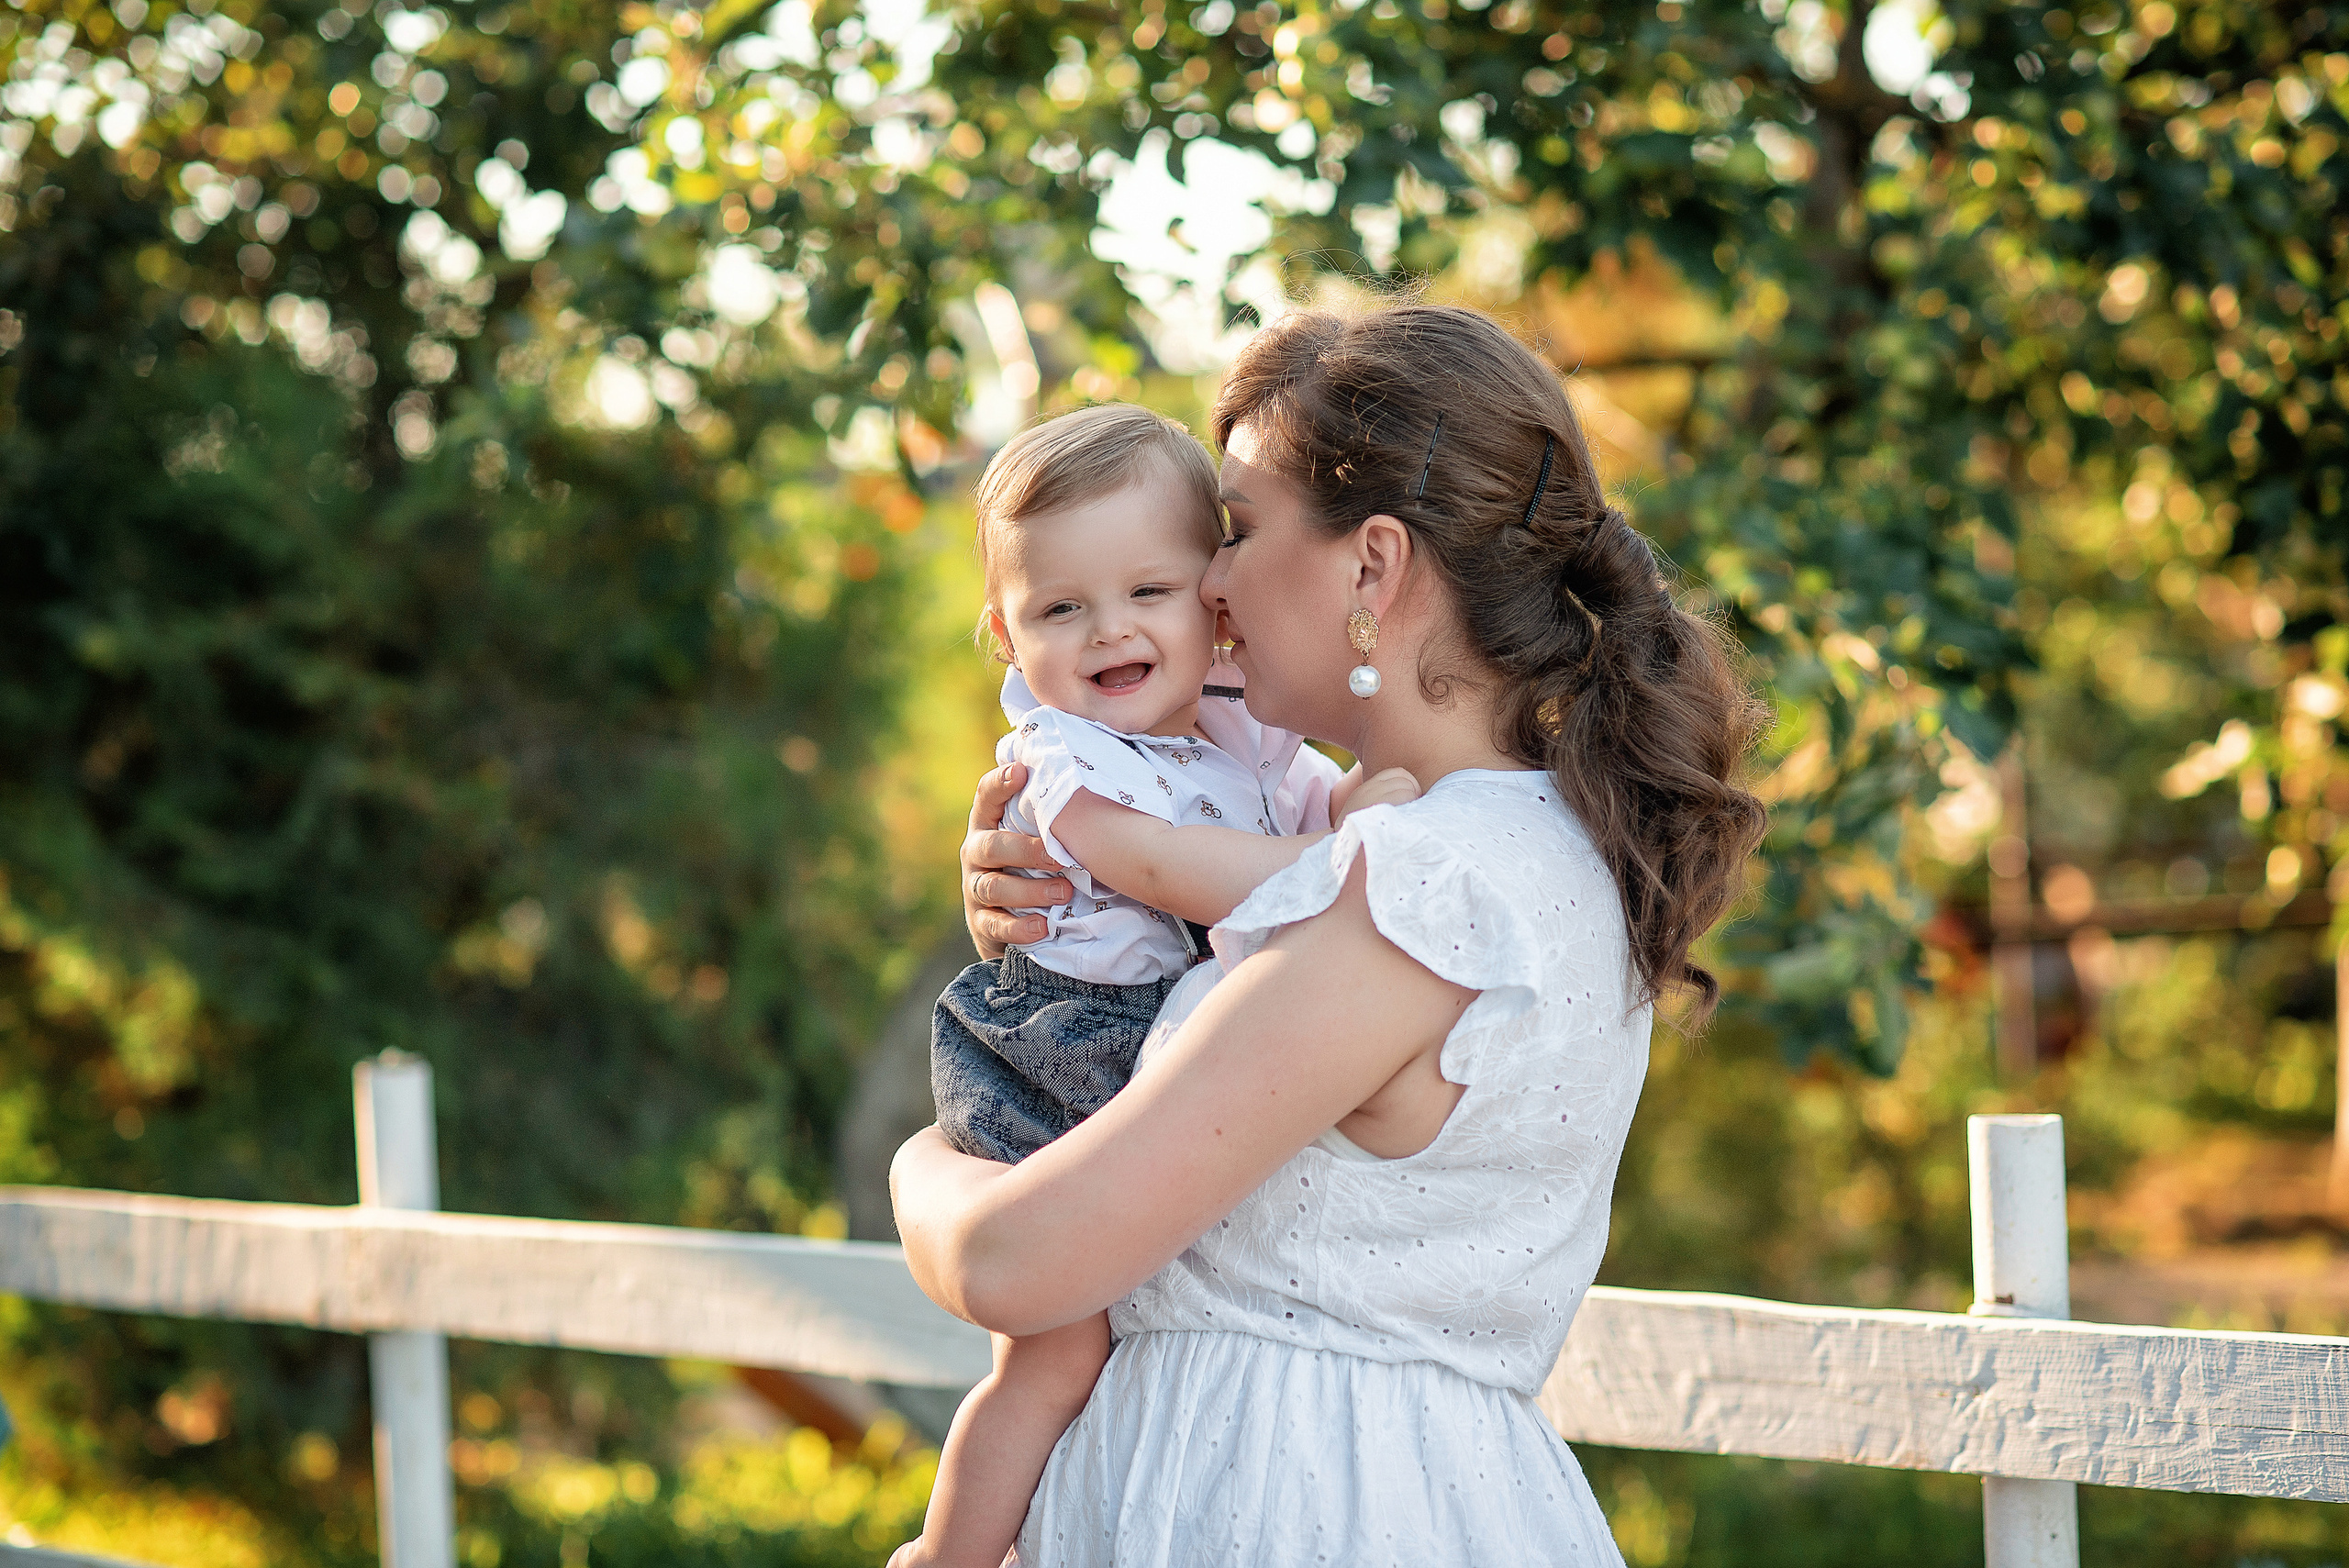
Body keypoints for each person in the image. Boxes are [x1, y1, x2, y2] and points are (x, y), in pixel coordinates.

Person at [895, 302, 1767, 1566]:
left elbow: (1020, 1260)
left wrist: (927, 1160)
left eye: (1236, 531)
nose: (1211, 579)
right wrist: (1068, 918)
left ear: (1371, 569)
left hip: (1285, 1499)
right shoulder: (1527, 846)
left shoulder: (1410, 891)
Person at [897, 403, 1420, 1568]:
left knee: (1127, 1338)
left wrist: (1352, 809)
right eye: (1060, 608)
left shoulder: (1231, 734)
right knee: (1058, 1351)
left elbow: (1303, 804)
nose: (1107, 631)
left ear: (1210, 602)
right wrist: (1337, 859)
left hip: (1150, 1047)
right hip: (1063, 1045)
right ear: (1005, 634)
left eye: (1148, 591)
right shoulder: (1063, 760)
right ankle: (950, 1550)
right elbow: (1168, 869)